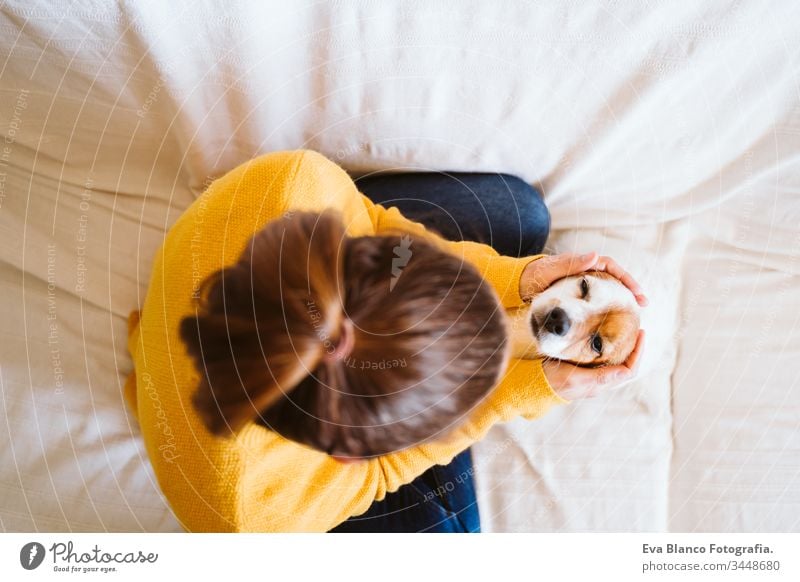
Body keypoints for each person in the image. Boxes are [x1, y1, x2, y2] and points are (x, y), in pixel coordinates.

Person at [124, 150, 645, 532]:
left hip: (241, 235)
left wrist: (521, 278)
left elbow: (383, 234)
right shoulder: (256, 506)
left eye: (594, 340)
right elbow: (384, 470)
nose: (567, 318)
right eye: (581, 292)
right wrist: (524, 390)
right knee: (450, 535)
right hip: (242, 433)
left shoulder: (296, 192)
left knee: (522, 213)